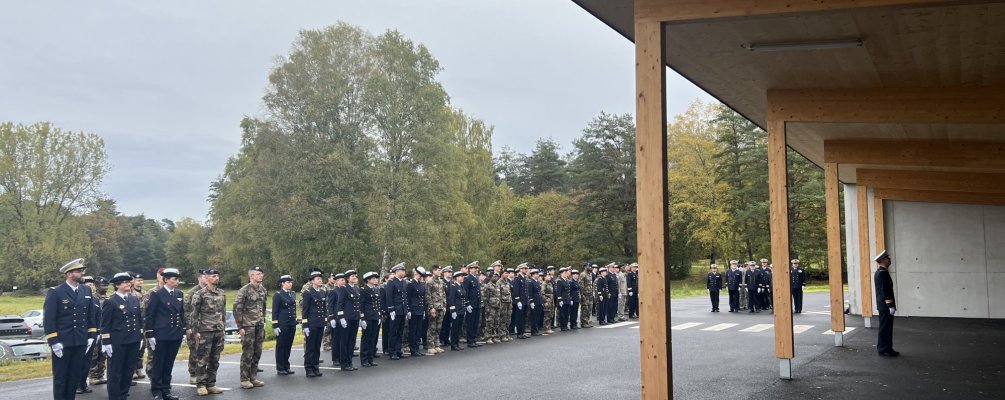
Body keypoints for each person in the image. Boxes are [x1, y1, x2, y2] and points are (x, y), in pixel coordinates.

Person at [43, 258, 98, 400]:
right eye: (79, 272)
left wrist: (91, 336)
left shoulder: (86, 290)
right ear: (69, 274)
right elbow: (49, 319)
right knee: (61, 377)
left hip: (80, 341)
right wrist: (54, 341)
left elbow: (90, 315)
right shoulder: (56, 292)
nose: (82, 274)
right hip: (63, 342)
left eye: (82, 271)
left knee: (74, 376)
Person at [144, 268, 186, 400]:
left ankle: (166, 390)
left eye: (178, 279)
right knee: (159, 363)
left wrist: (183, 330)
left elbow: (181, 314)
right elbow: (150, 314)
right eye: (174, 279)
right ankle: (157, 390)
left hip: (175, 333)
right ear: (166, 279)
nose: (177, 282)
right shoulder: (157, 294)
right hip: (161, 334)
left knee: (169, 363)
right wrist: (150, 334)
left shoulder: (179, 293)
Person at [101, 272, 143, 400]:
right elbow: (105, 324)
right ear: (117, 285)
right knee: (115, 372)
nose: (128, 284)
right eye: (125, 282)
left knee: (128, 370)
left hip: (133, 340)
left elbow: (139, 320)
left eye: (129, 282)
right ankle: (114, 397)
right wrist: (106, 342)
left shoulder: (133, 299)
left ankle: (123, 395)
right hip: (118, 342)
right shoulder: (111, 301)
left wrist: (140, 337)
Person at [188, 269, 227, 396]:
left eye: (217, 276)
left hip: (218, 330)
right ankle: (201, 385)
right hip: (205, 331)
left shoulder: (221, 293)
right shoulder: (200, 294)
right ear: (207, 278)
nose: (216, 278)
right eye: (213, 276)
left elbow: (223, 312)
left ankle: (211, 384)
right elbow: (194, 314)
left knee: (215, 359)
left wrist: (223, 328)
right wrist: (195, 331)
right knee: (202, 359)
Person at [234, 266, 268, 389]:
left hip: (259, 324)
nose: (261, 276)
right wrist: (240, 326)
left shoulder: (262, 290)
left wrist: (262, 320)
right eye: (258, 274)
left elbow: (263, 307)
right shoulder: (244, 290)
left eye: (261, 274)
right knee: (247, 352)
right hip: (248, 326)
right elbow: (237, 309)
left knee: (257, 351)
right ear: (251, 276)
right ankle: (244, 379)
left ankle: (253, 376)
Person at [301, 271, 326, 377]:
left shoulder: (322, 292)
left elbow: (324, 309)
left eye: (320, 278)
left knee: (317, 346)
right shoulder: (308, 293)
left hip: (320, 323)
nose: (320, 280)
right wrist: (305, 325)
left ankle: (316, 367)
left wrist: (324, 322)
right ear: (312, 281)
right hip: (312, 323)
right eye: (317, 279)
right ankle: (309, 368)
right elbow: (305, 310)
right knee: (310, 347)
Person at [874, 250, 899, 357]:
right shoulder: (882, 273)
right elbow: (886, 291)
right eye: (887, 258)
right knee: (885, 328)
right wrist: (890, 305)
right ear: (883, 260)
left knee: (886, 327)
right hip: (885, 306)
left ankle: (886, 348)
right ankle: (884, 349)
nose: (889, 260)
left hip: (883, 305)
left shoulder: (880, 272)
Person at [271, 274, 298, 375]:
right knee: (281, 346)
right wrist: (275, 325)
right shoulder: (278, 295)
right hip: (282, 324)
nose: (290, 284)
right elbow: (275, 311)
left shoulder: (293, 294)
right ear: (282, 284)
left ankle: (287, 366)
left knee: (288, 346)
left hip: (291, 324)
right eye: (288, 282)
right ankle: (280, 367)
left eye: (291, 282)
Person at [87, 276, 110, 387]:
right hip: (95, 329)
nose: (105, 288)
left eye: (106, 285)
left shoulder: (109, 298)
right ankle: (93, 376)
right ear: (96, 286)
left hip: (105, 330)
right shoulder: (92, 298)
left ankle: (100, 374)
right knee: (94, 354)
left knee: (103, 353)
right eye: (103, 285)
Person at [185, 270, 208, 384]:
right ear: (199, 278)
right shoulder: (192, 292)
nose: (207, 278)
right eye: (205, 276)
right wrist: (189, 327)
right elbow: (186, 311)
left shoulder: (210, 291)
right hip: (195, 327)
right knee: (195, 351)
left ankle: (203, 374)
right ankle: (193, 373)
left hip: (207, 327)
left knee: (205, 353)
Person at [336, 270, 362, 370]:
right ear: (348, 279)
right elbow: (340, 304)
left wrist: (359, 317)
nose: (355, 277)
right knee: (344, 341)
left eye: (355, 276)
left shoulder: (356, 289)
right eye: (353, 276)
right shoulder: (344, 289)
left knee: (352, 341)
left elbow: (357, 305)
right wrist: (341, 318)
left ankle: (349, 362)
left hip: (355, 318)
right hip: (347, 318)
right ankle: (344, 363)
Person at [385, 263, 407, 359]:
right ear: (397, 271)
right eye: (402, 270)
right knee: (393, 332)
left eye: (404, 270)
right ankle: (392, 351)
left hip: (402, 310)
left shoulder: (403, 282)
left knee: (400, 332)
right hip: (395, 310)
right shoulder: (391, 282)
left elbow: (404, 297)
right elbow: (389, 297)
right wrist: (391, 309)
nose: (403, 272)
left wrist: (406, 310)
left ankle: (398, 350)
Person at [359, 272, 382, 367]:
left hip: (375, 316)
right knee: (366, 339)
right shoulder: (364, 290)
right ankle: (364, 359)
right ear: (368, 280)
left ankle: (370, 358)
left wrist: (379, 315)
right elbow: (361, 305)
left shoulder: (376, 289)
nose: (376, 280)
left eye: (376, 278)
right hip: (368, 317)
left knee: (373, 338)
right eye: (373, 278)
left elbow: (378, 304)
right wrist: (362, 318)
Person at [405, 267, 428, 357]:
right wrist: (409, 310)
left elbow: (423, 298)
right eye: (420, 275)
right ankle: (413, 349)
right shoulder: (411, 284)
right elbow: (408, 298)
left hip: (420, 309)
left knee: (419, 330)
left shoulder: (421, 284)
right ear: (416, 274)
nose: (421, 277)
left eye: (422, 276)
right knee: (413, 330)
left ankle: (417, 348)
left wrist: (423, 310)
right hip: (413, 309)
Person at [425, 265, 446, 353]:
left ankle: (437, 345)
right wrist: (431, 307)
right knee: (432, 327)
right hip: (434, 308)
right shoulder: (429, 282)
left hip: (441, 307)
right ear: (433, 271)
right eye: (438, 270)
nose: (440, 271)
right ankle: (430, 346)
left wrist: (444, 306)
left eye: (440, 270)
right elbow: (428, 296)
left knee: (438, 327)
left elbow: (443, 295)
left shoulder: (441, 282)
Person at [446, 271, 468, 350]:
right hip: (456, 310)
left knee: (459, 327)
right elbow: (451, 299)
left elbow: (463, 298)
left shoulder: (461, 286)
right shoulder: (453, 286)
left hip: (461, 310)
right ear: (456, 278)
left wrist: (465, 308)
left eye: (462, 276)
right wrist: (453, 311)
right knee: (454, 328)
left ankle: (457, 343)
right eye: (461, 276)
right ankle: (453, 344)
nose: (462, 278)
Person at [462, 261, 483, 348]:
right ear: (470, 269)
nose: (476, 269)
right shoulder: (467, 279)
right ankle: (470, 340)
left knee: (475, 323)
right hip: (471, 304)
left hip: (477, 304)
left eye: (477, 268)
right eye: (475, 268)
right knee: (470, 323)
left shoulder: (476, 278)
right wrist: (467, 304)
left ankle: (474, 339)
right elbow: (465, 292)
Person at [511, 263, 529, 339]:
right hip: (520, 301)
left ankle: (522, 332)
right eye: (524, 269)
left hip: (524, 301)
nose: (526, 270)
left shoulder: (524, 278)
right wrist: (518, 300)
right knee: (519, 318)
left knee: (524, 317)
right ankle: (519, 333)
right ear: (521, 269)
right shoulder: (517, 278)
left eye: (526, 269)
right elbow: (516, 290)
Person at [497, 267, 514, 341]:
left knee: (508, 319)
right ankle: (502, 335)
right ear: (501, 274)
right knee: (502, 319)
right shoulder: (499, 282)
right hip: (503, 303)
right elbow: (498, 294)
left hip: (509, 302)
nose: (507, 274)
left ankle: (507, 334)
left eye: (507, 273)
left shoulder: (507, 282)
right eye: (505, 273)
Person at [527, 269, 544, 336]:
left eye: (538, 274)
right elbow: (530, 293)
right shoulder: (531, 282)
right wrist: (531, 301)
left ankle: (536, 330)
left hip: (539, 301)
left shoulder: (537, 282)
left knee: (537, 316)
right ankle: (533, 331)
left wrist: (541, 301)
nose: (538, 275)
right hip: (534, 301)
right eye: (536, 274)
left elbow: (539, 293)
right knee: (534, 317)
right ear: (533, 275)